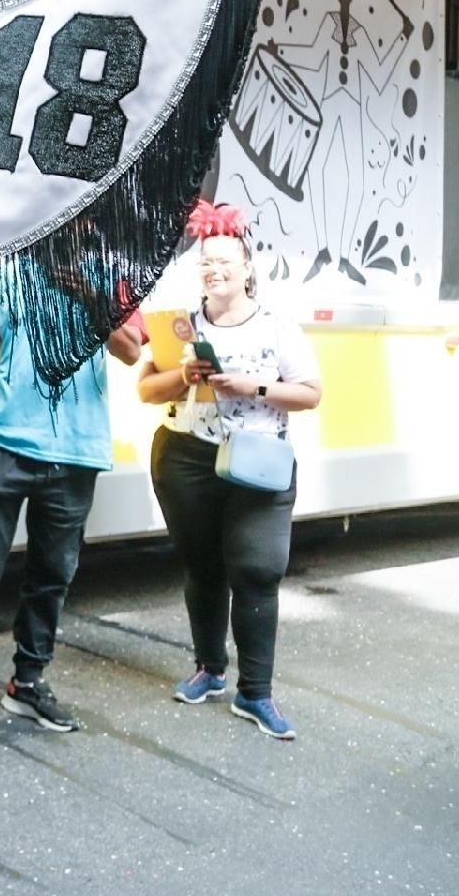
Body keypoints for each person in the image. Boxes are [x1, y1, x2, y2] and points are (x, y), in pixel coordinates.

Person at [0, 280, 145, 734]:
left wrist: (88, 291)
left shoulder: (107, 274)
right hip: (4, 443)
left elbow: (131, 350)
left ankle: (28, 682)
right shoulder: (6, 270)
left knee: (52, 575)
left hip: (78, 451)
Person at [136, 202, 322, 741]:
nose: (215, 271)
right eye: (206, 263)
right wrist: (184, 374)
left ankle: (255, 694)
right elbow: (146, 389)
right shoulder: (178, 324)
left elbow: (311, 394)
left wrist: (253, 387)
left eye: (225, 262)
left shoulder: (277, 327)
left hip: (259, 460)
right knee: (203, 566)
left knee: (259, 570)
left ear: (246, 269)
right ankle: (210, 670)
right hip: (186, 456)